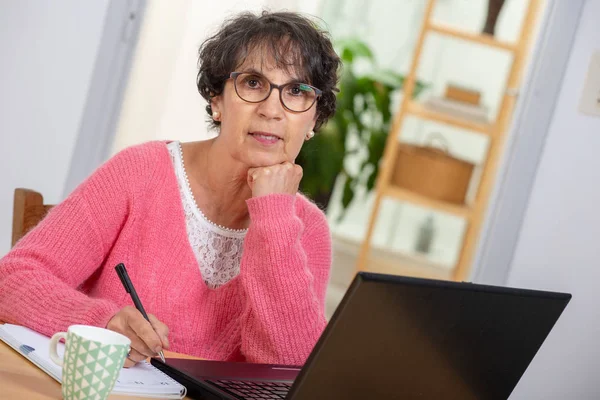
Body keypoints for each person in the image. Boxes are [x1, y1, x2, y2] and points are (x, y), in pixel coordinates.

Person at [0, 10, 341, 367]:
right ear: (217, 100)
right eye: (253, 83)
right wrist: (103, 321)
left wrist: (273, 216)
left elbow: (291, 368)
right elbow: (13, 280)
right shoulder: (140, 171)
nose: (272, 110)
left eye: (297, 91)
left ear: (314, 119)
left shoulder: (308, 230)